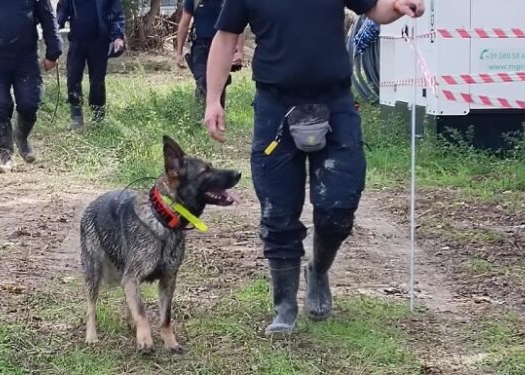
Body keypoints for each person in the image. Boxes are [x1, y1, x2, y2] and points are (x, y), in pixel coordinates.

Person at [203, 0, 425, 334]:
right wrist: (213, 100)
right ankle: (285, 307)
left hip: (334, 103)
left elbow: (377, 9)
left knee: (339, 207)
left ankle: (318, 271)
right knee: (278, 213)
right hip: (275, 106)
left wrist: (400, 5)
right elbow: (224, 37)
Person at [0, 0, 63, 173]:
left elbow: (48, 18)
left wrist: (53, 52)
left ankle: (21, 137)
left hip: (26, 58)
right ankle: (6, 155)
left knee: (30, 104)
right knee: (0, 105)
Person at [57, 0, 126, 129]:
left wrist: (118, 36)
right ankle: (76, 118)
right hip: (77, 41)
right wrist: (55, 27)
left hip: (99, 41)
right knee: (72, 79)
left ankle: (98, 118)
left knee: (97, 81)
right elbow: (62, 10)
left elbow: (117, 14)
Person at [175, 0, 245, 107]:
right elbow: (184, 24)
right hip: (200, 46)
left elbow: (238, 24)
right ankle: (200, 117)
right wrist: (179, 52)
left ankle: (217, 116)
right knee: (203, 81)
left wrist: (239, 51)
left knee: (220, 81)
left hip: (223, 47)